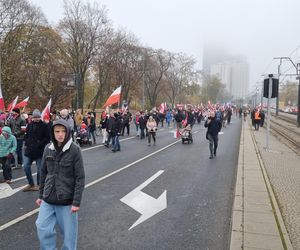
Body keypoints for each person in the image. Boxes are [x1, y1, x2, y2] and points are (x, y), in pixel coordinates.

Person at [35, 119, 85, 250]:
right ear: (53, 132)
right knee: (42, 226)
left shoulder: (75, 150)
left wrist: (76, 202)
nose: (60, 134)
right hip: (48, 198)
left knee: (69, 236)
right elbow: (43, 173)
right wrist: (41, 195)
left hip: (66, 201)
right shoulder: (48, 148)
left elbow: (80, 177)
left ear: (68, 132)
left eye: (63, 131)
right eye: (57, 131)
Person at [23, 109, 50, 191]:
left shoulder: (44, 125)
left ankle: (39, 184)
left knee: (40, 169)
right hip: (29, 150)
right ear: (32, 117)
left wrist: (39, 144)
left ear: (40, 117)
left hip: (39, 151)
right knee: (26, 167)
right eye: (35, 117)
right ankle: (31, 184)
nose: (36, 119)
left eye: (38, 117)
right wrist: (27, 143)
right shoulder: (29, 125)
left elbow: (47, 138)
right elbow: (26, 135)